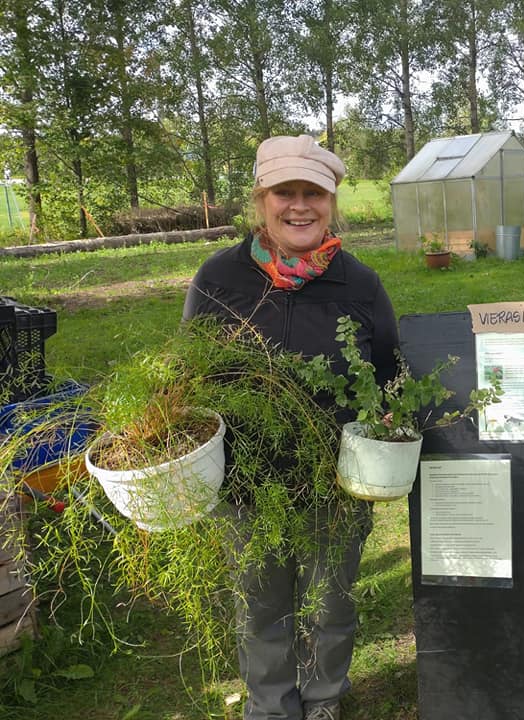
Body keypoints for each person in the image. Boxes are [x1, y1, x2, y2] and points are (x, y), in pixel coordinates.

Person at [183, 134, 399, 720]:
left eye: (314, 193)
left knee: (331, 601)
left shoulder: (359, 283)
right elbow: (190, 378)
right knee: (261, 605)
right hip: (249, 479)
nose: (299, 206)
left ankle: (325, 695)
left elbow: (389, 372)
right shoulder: (218, 279)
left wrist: (388, 419)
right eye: (285, 192)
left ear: (331, 203)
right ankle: (272, 705)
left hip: (338, 479)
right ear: (261, 200)